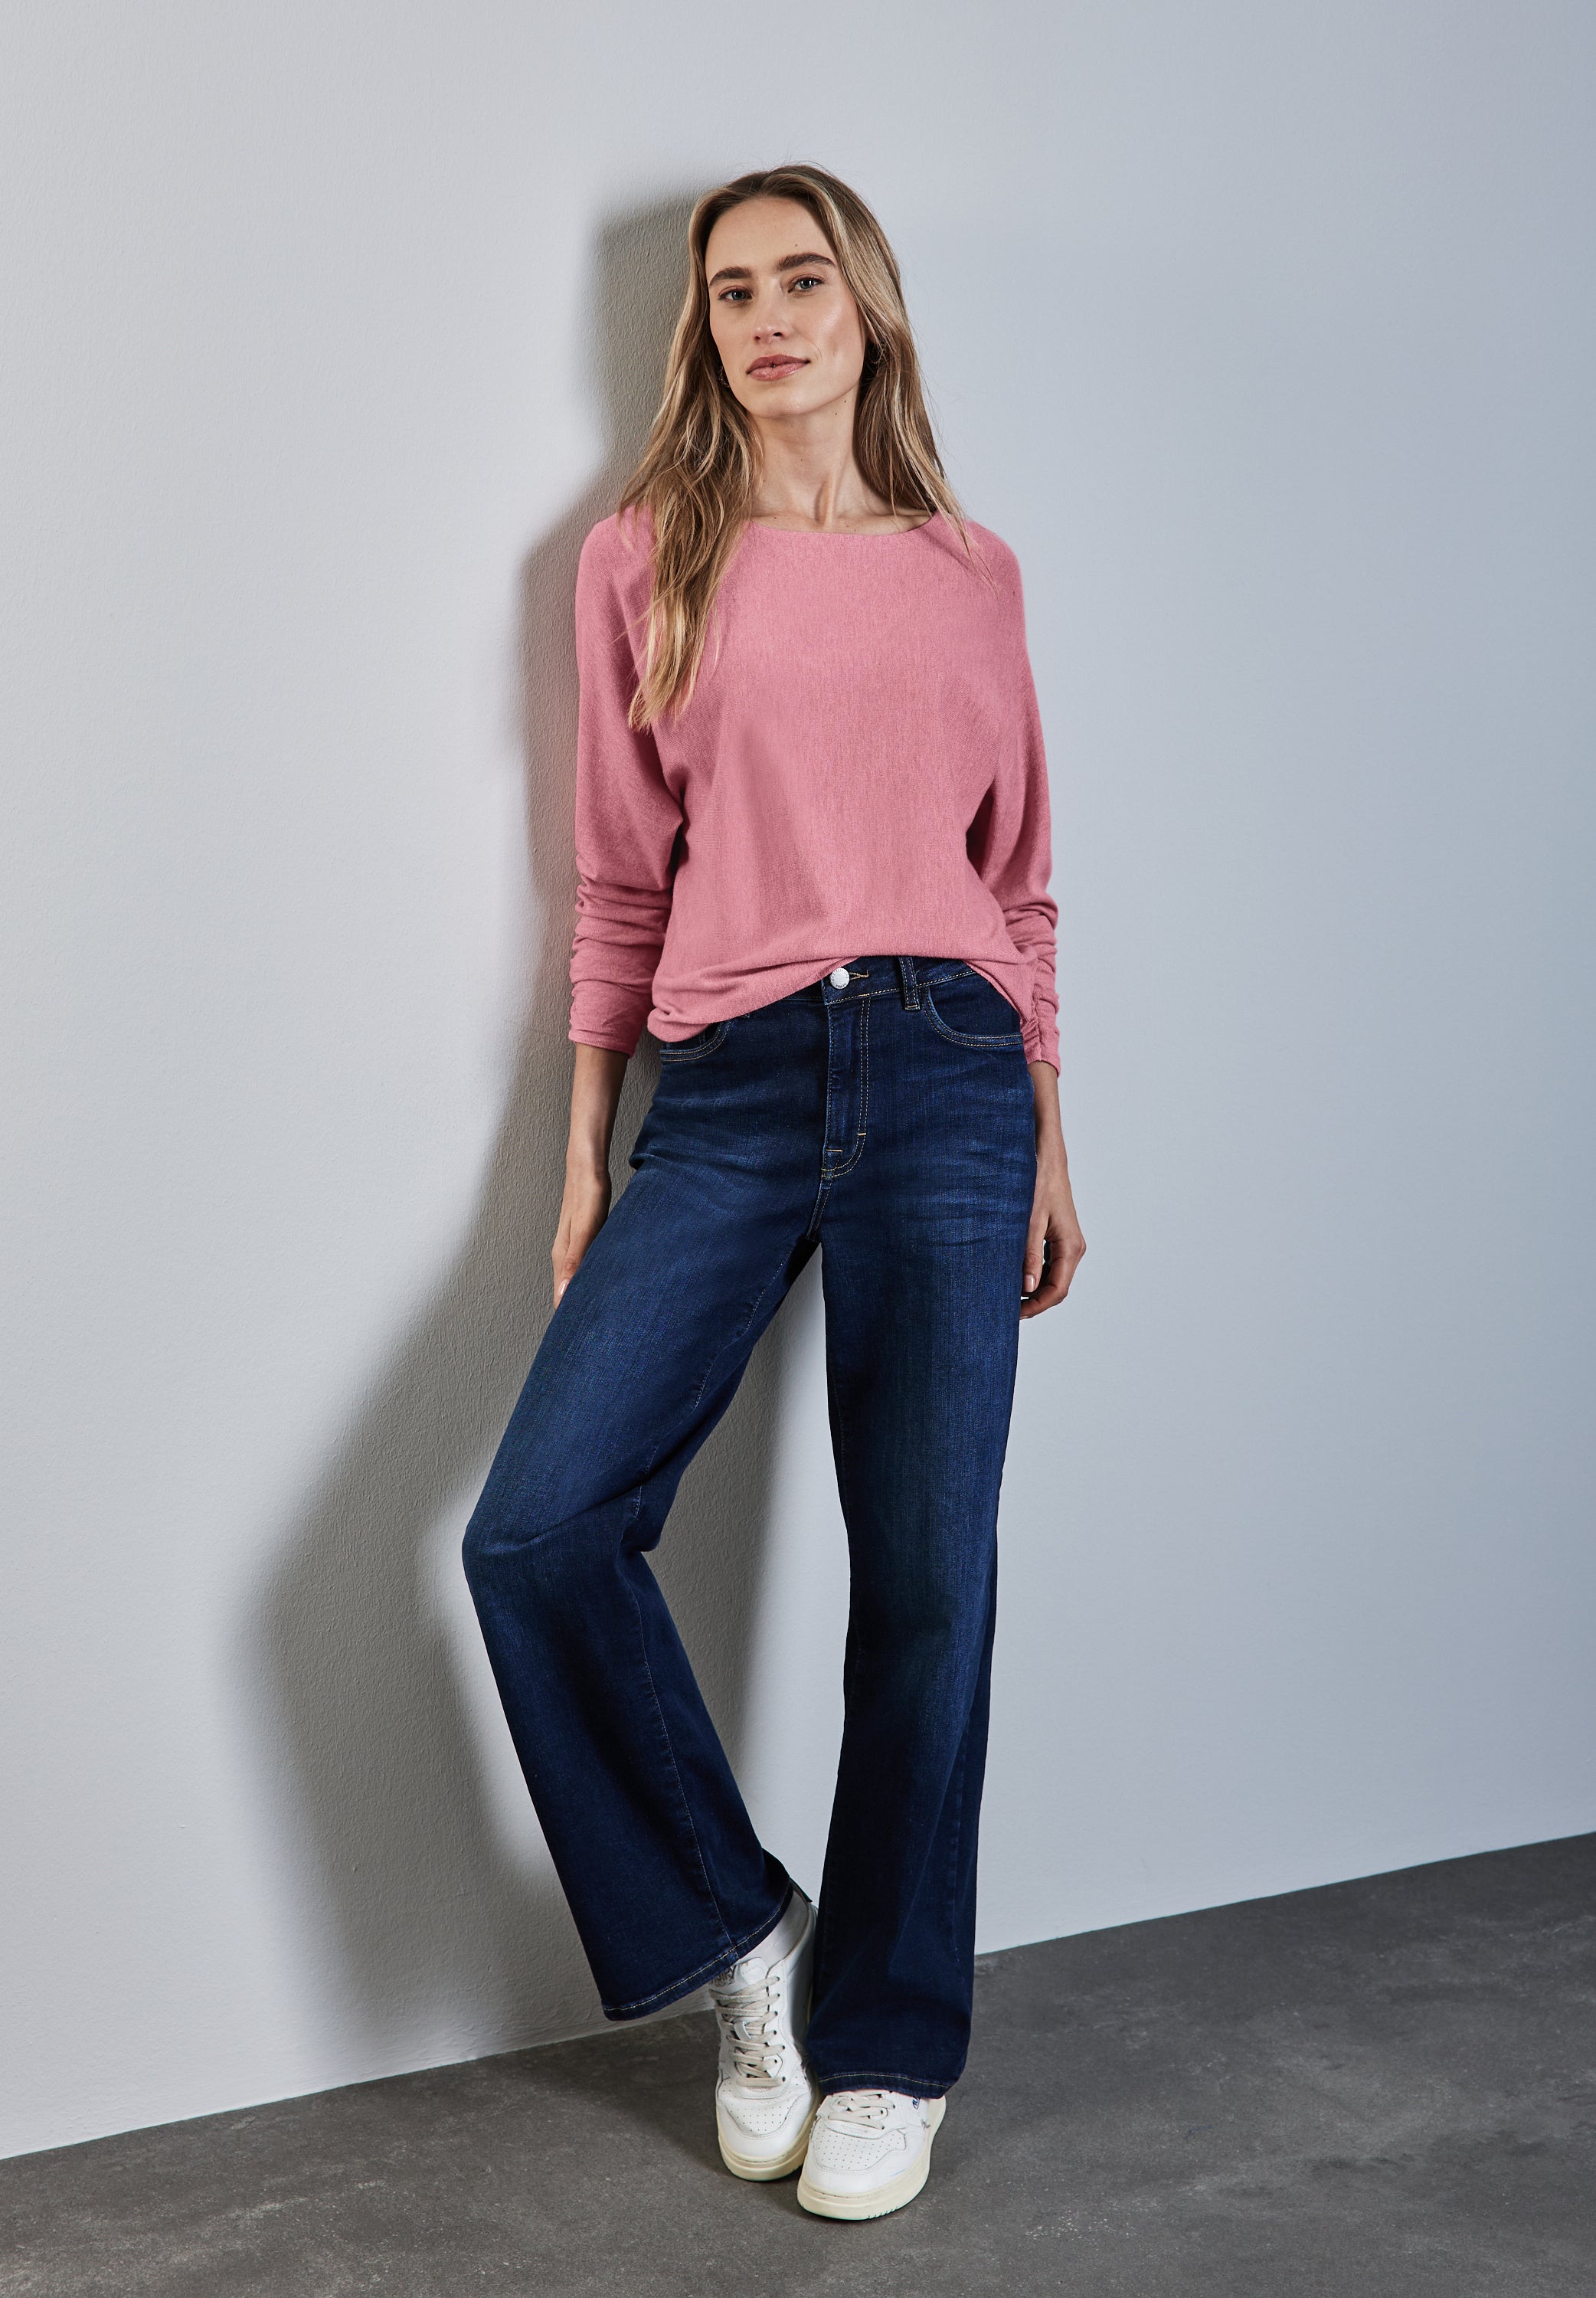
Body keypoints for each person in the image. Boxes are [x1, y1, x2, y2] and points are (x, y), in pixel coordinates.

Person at [463, 162, 1085, 2224]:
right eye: (729, 292)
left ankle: (891, 2047)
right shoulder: (641, 556)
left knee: (928, 1585)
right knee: (537, 1530)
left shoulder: (971, 570)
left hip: (949, 1072)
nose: (764, 319)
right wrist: (582, 1150)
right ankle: (743, 1946)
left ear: (867, 307)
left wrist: (1051, 1133)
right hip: (725, 1087)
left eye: (800, 280)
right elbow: (615, 877)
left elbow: (1017, 886)